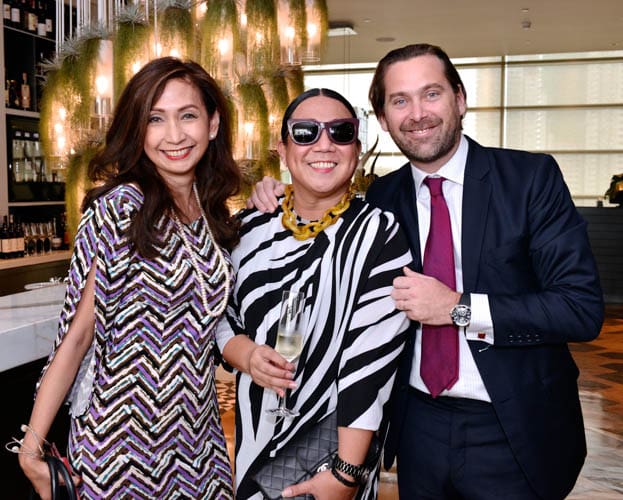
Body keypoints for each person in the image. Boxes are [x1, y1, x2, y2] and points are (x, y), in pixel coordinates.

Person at [248, 44, 605, 500]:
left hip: (513, 426)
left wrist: (458, 308)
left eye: (431, 94)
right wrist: (274, 191)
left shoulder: (528, 179)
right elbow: (318, 208)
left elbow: (579, 309)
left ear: (460, 99)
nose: (417, 114)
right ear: (383, 119)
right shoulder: (380, 200)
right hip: (416, 428)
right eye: (400, 100)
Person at [15, 57, 240, 499]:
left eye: (187, 116)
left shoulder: (211, 210)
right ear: (137, 130)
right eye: (155, 119)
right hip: (119, 443)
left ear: (212, 124)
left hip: (199, 438)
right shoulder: (120, 208)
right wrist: (31, 450)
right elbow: (77, 335)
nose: (173, 135)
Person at [216, 88, 411, 499]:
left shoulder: (379, 234)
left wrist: (346, 474)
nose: (324, 144)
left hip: (334, 450)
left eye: (341, 132)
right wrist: (246, 354)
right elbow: (219, 315)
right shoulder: (248, 228)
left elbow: (370, 367)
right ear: (283, 150)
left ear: (356, 149)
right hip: (256, 439)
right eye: (305, 132)